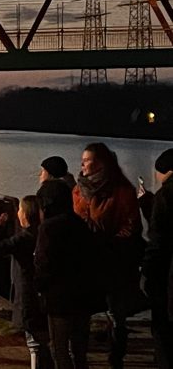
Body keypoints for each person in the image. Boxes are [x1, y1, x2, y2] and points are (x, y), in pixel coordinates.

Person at [72, 142, 142, 369]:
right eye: (82, 160)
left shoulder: (122, 190)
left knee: (115, 313)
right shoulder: (78, 189)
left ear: (101, 163)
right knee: (81, 312)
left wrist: (109, 243)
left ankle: (116, 358)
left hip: (113, 261)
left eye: (87, 160)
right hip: (84, 260)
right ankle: (79, 358)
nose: (82, 164)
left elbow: (131, 226)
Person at [35, 180, 105, 369]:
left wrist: (39, 287)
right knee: (79, 350)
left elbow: (44, 263)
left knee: (59, 348)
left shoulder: (48, 228)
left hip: (59, 299)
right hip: (83, 296)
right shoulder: (81, 225)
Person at [0, 196, 51, 369]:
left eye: (20, 210)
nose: (18, 213)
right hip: (43, 293)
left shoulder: (25, 238)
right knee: (43, 339)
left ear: (26, 214)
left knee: (34, 343)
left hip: (28, 294)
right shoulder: (43, 234)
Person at [141, 148, 173, 368]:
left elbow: (159, 238)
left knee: (164, 331)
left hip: (167, 277)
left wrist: (147, 272)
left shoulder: (167, 195)